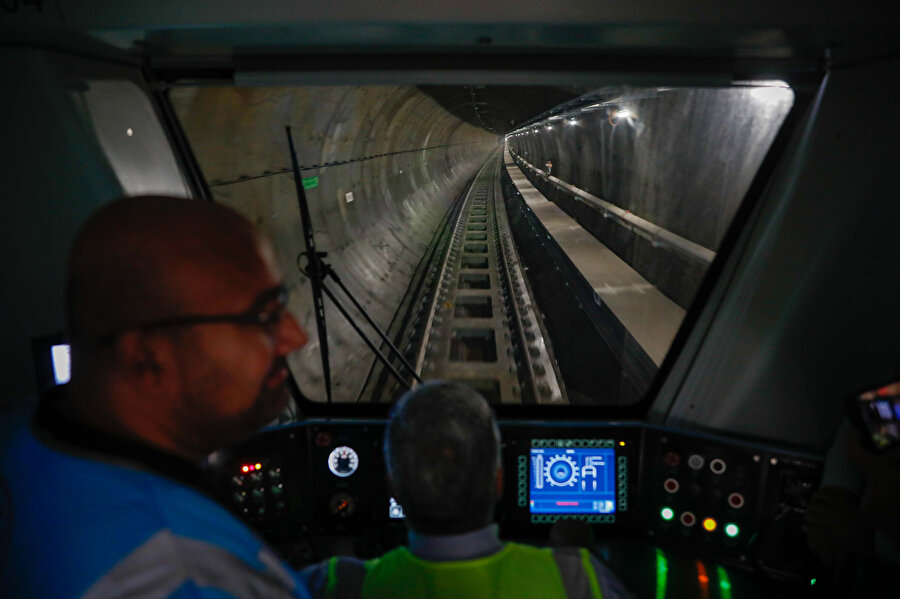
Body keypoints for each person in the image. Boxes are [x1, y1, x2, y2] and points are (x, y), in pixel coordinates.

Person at [0, 196, 311, 598]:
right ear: (147, 357)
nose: (295, 336)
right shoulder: (185, 578)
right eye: (263, 317)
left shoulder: (20, 434)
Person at [302, 381, 632, 599]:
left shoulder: (336, 583)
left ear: (395, 490)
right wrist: (574, 553)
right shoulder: (580, 579)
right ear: (499, 483)